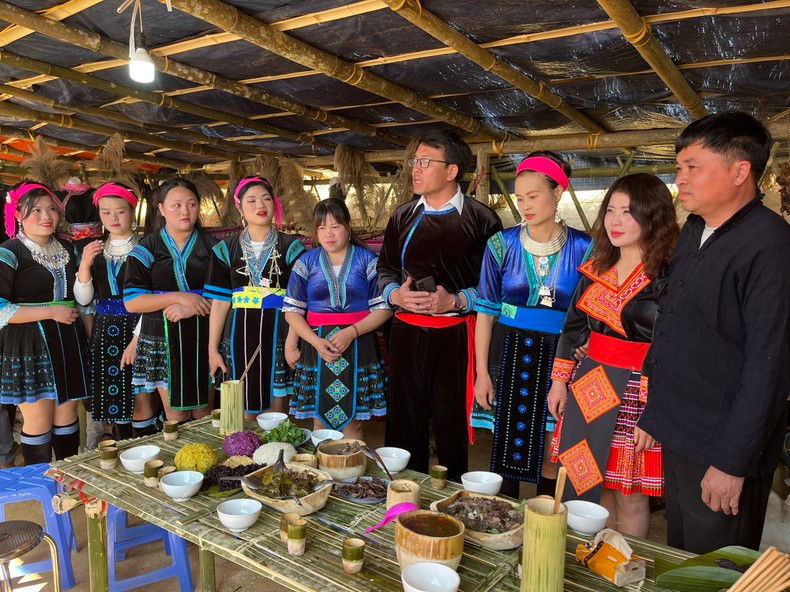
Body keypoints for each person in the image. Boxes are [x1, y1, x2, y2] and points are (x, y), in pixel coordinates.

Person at [638, 111, 790, 553]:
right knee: (681, 554)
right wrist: (655, 413)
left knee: (715, 567)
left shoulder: (770, 245)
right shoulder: (695, 229)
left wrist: (730, 463)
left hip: (723, 444)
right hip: (680, 428)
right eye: (679, 167)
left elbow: (770, 367)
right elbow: (673, 325)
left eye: (693, 167)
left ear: (740, 170)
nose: (679, 178)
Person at [546, 173, 678, 537]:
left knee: (629, 492)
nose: (615, 221)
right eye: (611, 211)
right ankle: (596, 558)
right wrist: (559, 382)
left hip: (639, 391)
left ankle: (628, 563)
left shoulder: (668, 276)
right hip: (589, 385)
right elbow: (573, 328)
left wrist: (656, 413)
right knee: (594, 483)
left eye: (628, 212)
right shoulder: (595, 269)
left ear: (653, 216)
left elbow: (673, 346)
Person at [377, 130, 502, 481]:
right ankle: (402, 500)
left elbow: (497, 286)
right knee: (404, 423)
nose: (415, 169)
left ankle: (450, 505)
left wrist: (458, 300)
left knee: (451, 427)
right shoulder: (402, 216)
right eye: (414, 161)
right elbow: (384, 270)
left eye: (425, 161)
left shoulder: (482, 220)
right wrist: (396, 296)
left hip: (456, 337)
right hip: (405, 332)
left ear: (451, 171)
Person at [472, 152, 592, 498]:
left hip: (560, 355)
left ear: (558, 193)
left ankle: (543, 528)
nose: (524, 205)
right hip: (506, 351)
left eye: (534, 196)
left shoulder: (585, 248)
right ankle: (505, 525)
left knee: (551, 450)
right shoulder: (501, 244)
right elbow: (485, 311)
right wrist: (482, 373)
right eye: (519, 198)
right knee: (505, 447)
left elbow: (588, 316)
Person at [283, 198, 391, 439]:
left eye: (335, 226)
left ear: (348, 226)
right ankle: (319, 475)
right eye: (322, 228)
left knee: (353, 425)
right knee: (319, 421)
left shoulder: (367, 260)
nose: (328, 234)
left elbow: (384, 309)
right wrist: (312, 341)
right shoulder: (305, 263)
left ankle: (350, 476)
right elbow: (293, 311)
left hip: (359, 343)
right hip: (316, 346)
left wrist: (351, 331)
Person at [0, 182, 90, 464]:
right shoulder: (9, 251)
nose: (46, 216)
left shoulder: (67, 247)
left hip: (68, 340)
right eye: (36, 210)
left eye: (51, 208)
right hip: (29, 344)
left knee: (66, 416)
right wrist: (50, 312)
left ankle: (68, 482)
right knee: (38, 420)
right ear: (17, 214)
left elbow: (82, 296)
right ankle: (41, 484)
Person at [206, 176, 305, 420]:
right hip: (237, 331)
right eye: (251, 200)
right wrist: (212, 349)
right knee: (241, 408)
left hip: (279, 330)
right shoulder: (224, 249)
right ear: (239, 206)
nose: (260, 205)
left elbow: (301, 301)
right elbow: (219, 302)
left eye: (266, 199)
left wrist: (293, 343)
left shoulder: (292, 247)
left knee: (276, 408)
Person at [123, 178, 217, 422]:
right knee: (175, 415)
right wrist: (177, 297)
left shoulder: (214, 248)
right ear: (162, 209)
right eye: (176, 205)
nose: (185, 211)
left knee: (203, 412)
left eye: (192, 204)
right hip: (161, 337)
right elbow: (133, 301)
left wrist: (192, 308)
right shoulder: (146, 249)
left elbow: (225, 295)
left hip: (204, 335)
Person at [74, 182, 158, 439]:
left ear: (132, 212)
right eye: (106, 212)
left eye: (120, 211)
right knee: (117, 400)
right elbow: (84, 297)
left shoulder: (147, 249)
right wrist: (85, 264)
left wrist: (139, 337)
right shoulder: (94, 251)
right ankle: (125, 454)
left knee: (141, 397)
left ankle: (147, 453)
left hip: (141, 325)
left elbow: (154, 296)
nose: (113, 217)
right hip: (106, 331)